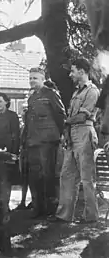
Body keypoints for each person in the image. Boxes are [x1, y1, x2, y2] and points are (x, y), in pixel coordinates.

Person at [55, 58, 99, 224]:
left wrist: (66, 122)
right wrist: (66, 132)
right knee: (66, 175)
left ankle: (91, 216)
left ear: (82, 71)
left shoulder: (92, 91)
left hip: (84, 133)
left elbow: (82, 116)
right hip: (72, 134)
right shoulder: (76, 92)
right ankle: (64, 215)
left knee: (87, 178)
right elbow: (72, 116)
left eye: (73, 71)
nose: (70, 74)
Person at [23, 67, 66, 218]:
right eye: (30, 78)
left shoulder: (51, 94)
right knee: (35, 176)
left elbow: (60, 115)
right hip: (33, 141)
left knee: (48, 174)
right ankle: (38, 207)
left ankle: (51, 208)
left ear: (42, 79)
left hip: (48, 140)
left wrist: (61, 135)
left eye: (35, 78)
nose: (32, 81)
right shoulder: (31, 97)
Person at [0, 92, 20, 215]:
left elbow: (16, 135)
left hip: (8, 152)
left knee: (6, 180)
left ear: (7, 102)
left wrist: (14, 152)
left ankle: (5, 206)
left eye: (0, 101)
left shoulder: (12, 116)